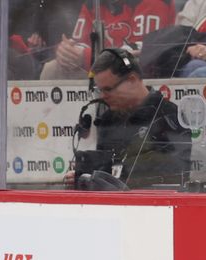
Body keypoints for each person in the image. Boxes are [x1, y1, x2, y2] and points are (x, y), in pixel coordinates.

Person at [64, 48, 191, 189]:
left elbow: (177, 171)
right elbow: (106, 170)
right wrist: (85, 177)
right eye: (100, 90)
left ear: (132, 80)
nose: (103, 96)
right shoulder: (108, 119)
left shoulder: (168, 115)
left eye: (108, 89)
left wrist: (121, 171)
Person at [40, 0, 176, 80]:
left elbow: (139, 54)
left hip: (138, 74)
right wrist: (67, 52)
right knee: (52, 68)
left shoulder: (153, 2)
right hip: (102, 69)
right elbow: (80, 43)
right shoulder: (94, 4)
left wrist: (88, 57)